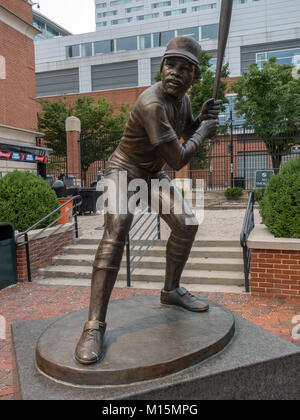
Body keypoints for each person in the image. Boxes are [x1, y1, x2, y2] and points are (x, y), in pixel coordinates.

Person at [75, 36, 222, 365]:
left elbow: (187, 133)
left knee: (186, 223)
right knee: (117, 232)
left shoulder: (181, 100)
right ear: (161, 66)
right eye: (171, 64)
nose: (175, 73)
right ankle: (93, 325)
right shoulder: (151, 103)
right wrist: (203, 133)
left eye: (185, 68)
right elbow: (180, 157)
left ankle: (171, 290)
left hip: (152, 173)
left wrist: (201, 119)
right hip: (123, 170)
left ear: (193, 78)